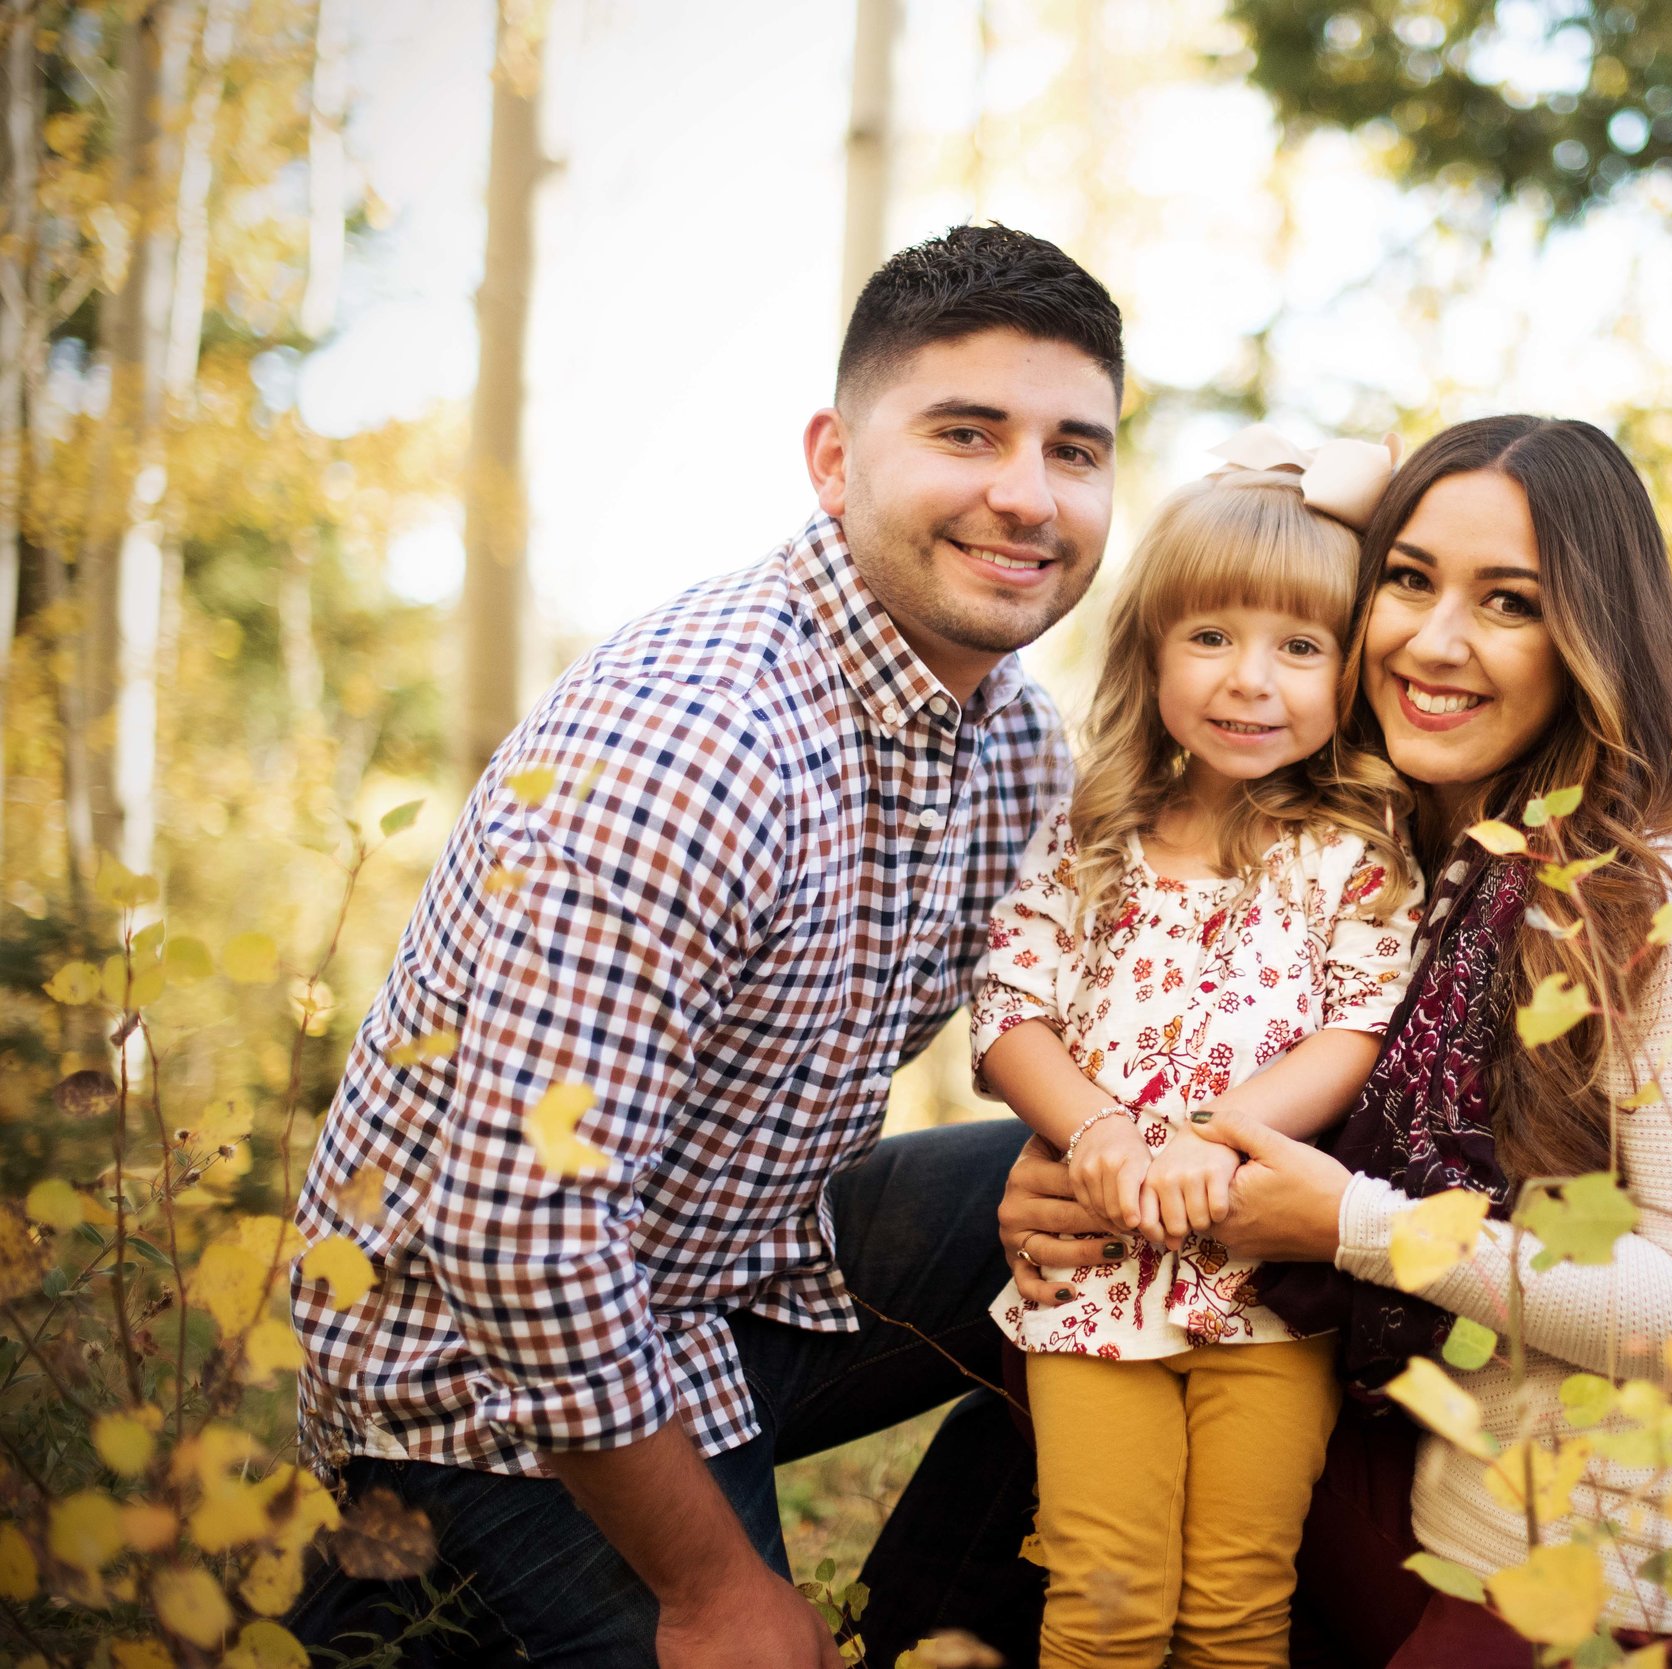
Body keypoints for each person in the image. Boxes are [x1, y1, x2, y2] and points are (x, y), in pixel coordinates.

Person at [284, 224, 1123, 1669]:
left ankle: (932, 1632)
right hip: (484, 1377)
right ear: (832, 457)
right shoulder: (699, 739)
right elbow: (520, 1238)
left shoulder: (1012, 741)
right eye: (966, 432)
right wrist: (714, 1591)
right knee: (722, 1633)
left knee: (1125, 1204)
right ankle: (394, 1603)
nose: (1024, 494)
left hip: (738, 1268)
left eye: (1075, 449)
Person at [985, 416, 1672, 1668]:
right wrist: (1062, 1169)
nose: (1432, 640)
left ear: (1589, 641)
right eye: (1407, 580)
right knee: (1065, 1396)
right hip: (1453, 1497)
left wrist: (1355, 1228)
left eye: (1508, 602)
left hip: (1651, 1576)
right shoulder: (1393, 875)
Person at [971, 426, 1422, 1667]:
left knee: (1234, 1604)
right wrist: (1103, 1131)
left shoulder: (1354, 851)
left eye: (1298, 646)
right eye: (1210, 636)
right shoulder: (1096, 834)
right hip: (1095, 1281)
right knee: (1103, 1592)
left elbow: (1356, 1023)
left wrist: (1213, 1138)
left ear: (1348, 671)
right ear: (1153, 648)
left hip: (1265, 1292)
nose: (1249, 680)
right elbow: (1011, 1007)